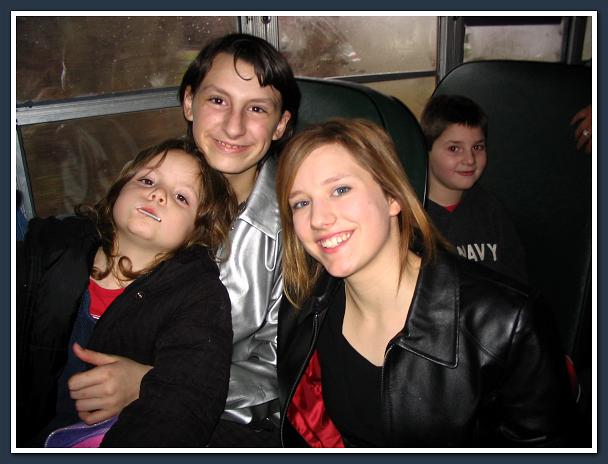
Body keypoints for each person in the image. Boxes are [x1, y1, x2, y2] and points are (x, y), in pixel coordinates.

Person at [57, 33, 301, 447]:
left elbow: (283, 371)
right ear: (189, 102)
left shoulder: (295, 232)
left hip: (222, 420)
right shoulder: (148, 189)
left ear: (280, 125)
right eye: (218, 100)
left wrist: (153, 383)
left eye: (257, 108)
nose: (234, 126)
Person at [275, 118, 574, 447]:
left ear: (393, 196)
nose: (318, 219)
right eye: (301, 203)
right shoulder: (303, 307)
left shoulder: (507, 324)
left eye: (340, 190)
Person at [17, 138, 235, 447]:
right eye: (147, 181)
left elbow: (188, 396)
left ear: (197, 231)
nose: (157, 194)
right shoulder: (53, 247)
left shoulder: (198, 296)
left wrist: (146, 384)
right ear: (119, 190)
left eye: (181, 197)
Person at [420, 94, 528, 284]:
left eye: (477, 147)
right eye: (454, 149)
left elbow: (517, 284)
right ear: (425, 150)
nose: (470, 160)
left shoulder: (492, 211)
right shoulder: (412, 217)